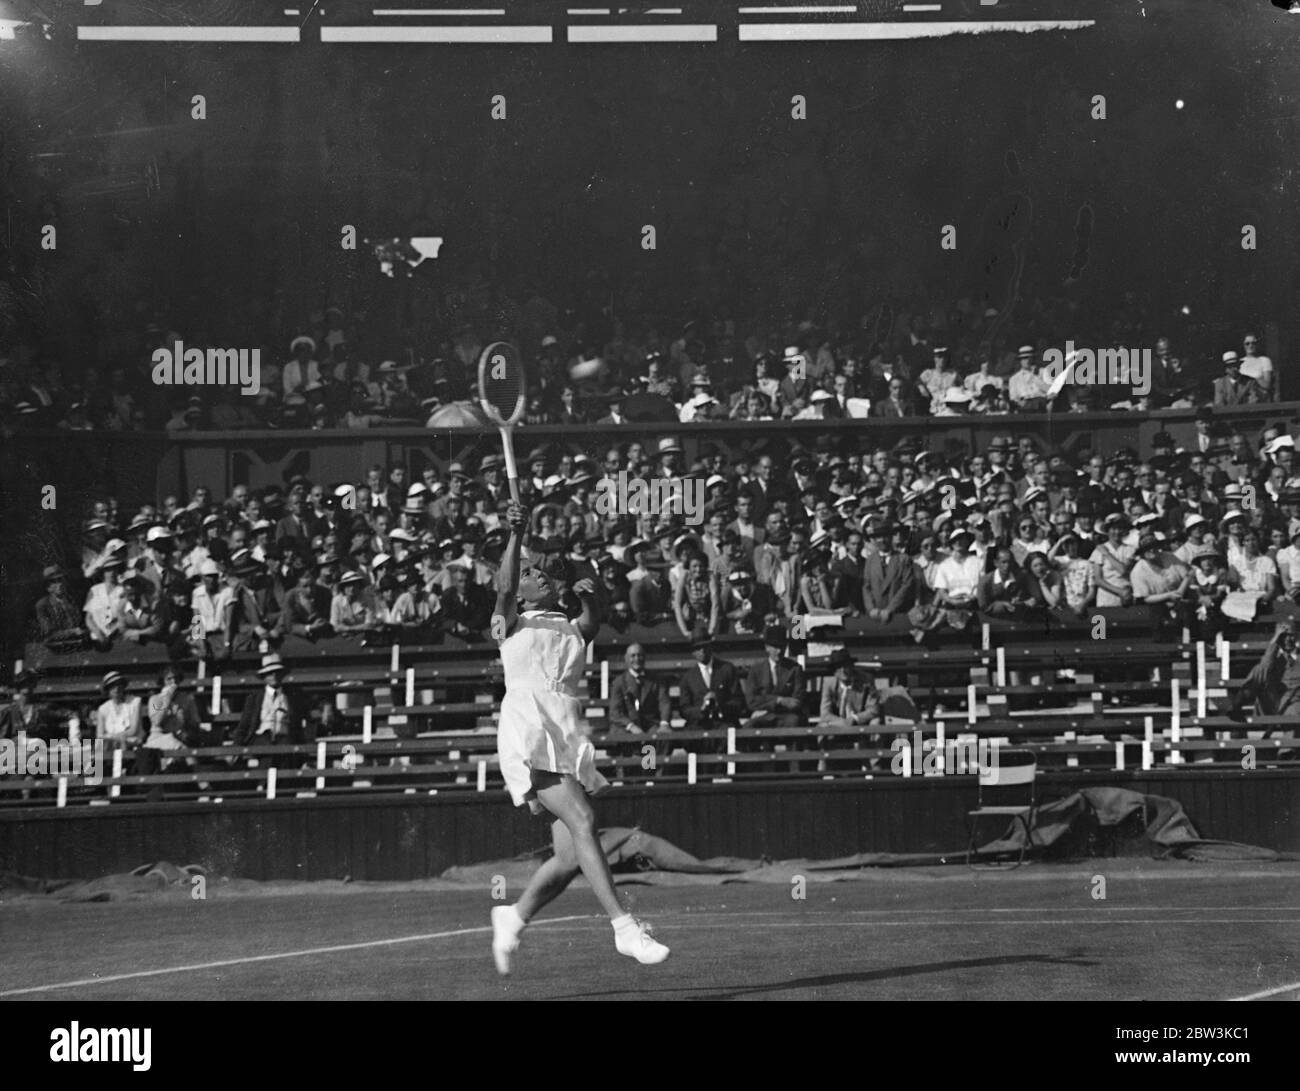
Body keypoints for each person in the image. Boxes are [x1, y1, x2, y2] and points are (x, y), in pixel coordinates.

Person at [488, 500, 669, 975]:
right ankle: (624, 928)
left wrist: (589, 593)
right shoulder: (509, 621)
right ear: (521, 591)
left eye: (543, 573)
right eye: (530, 574)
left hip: (566, 730)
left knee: (569, 855)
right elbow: (503, 585)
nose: (538, 576)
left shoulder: (570, 627)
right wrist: (515, 534)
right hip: (529, 727)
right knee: (584, 818)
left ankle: (514, 913)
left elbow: (594, 618)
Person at [677, 627, 746, 728]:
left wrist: (720, 705)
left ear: (711, 647)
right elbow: (684, 709)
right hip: (699, 724)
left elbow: (739, 702)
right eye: (698, 648)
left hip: (724, 721)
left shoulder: (727, 669)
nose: (702, 651)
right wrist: (701, 709)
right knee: (690, 734)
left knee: (731, 733)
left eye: (705, 646)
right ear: (693, 653)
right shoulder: (688, 677)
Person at [742, 625, 806, 729]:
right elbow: (751, 701)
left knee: (794, 722)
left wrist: (765, 701)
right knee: (749, 727)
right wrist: (779, 700)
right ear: (767, 647)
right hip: (763, 715)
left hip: (787, 716)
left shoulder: (795, 669)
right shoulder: (756, 670)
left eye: (782, 647)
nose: (779, 651)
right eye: (775, 647)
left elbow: (796, 701)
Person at [608, 644, 672, 734]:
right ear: (626, 659)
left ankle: (649, 749)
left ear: (644, 658)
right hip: (627, 726)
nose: (637, 659)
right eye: (633, 656)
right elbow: (615, 712)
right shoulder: (619, 682)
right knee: (622, 737)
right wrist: (631, 726)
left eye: (640, 655)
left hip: (650, 725)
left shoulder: (656, 680)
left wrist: (664, 723)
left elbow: (664, 702)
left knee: (661, 737)